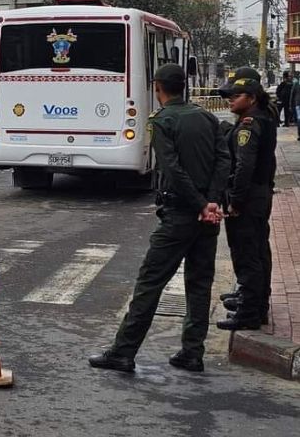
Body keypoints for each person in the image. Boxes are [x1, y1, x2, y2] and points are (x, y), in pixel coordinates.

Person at [88, 63, 230, 373]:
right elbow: (223, 160)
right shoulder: (207, 117)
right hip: (207, 217)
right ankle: (192, 352)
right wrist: (213, 202)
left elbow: (172, 170)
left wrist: (198, 204)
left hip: (180, 214)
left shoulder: (164, 121)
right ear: (184, 86)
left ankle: (123, 352)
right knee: (199, 283)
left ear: (158, 88)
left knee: (150, 283)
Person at [215, 67, 277, 331]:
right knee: (258, 250)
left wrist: (235, 201)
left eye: (235, 96)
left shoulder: (249, 124)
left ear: (251, 98)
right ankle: (255, 303)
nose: (230, 100)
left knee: (247, 253)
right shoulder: (262, 116)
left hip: (249, 196)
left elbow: (244, 166)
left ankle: (249, 312)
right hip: (259, 193)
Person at [292, 72, 300, 141]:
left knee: (299, 119)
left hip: (298, 103)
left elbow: (292, 95)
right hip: (298, 103)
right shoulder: (296, 84)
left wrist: (290, 105)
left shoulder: (296, 84)